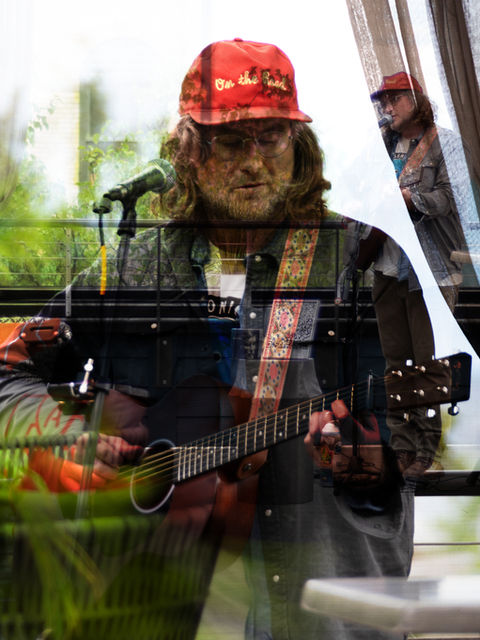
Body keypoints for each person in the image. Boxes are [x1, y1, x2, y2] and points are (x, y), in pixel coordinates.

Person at [0, 40, 412, 640]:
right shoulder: (135, 268)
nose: (254, 162)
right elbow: (10, 369)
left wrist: (363, 462)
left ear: (298, 144)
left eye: (272, 137)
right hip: (161, 601)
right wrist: (60, 439)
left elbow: (412, 441)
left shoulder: (364, 259)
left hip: (317, 615)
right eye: (231, 142)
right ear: (188, 152)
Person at [367, 71, 465, 477]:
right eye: (383, 101)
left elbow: (451, 199)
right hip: (387, 266)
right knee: (396, 363)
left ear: (416, 101)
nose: (387, 107)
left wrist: (410, 197)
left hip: (430, 268)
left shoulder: (446, 143)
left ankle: (428, 451)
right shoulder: (381, 145)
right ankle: (402, 447)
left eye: (394, 99)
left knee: (428, 362)